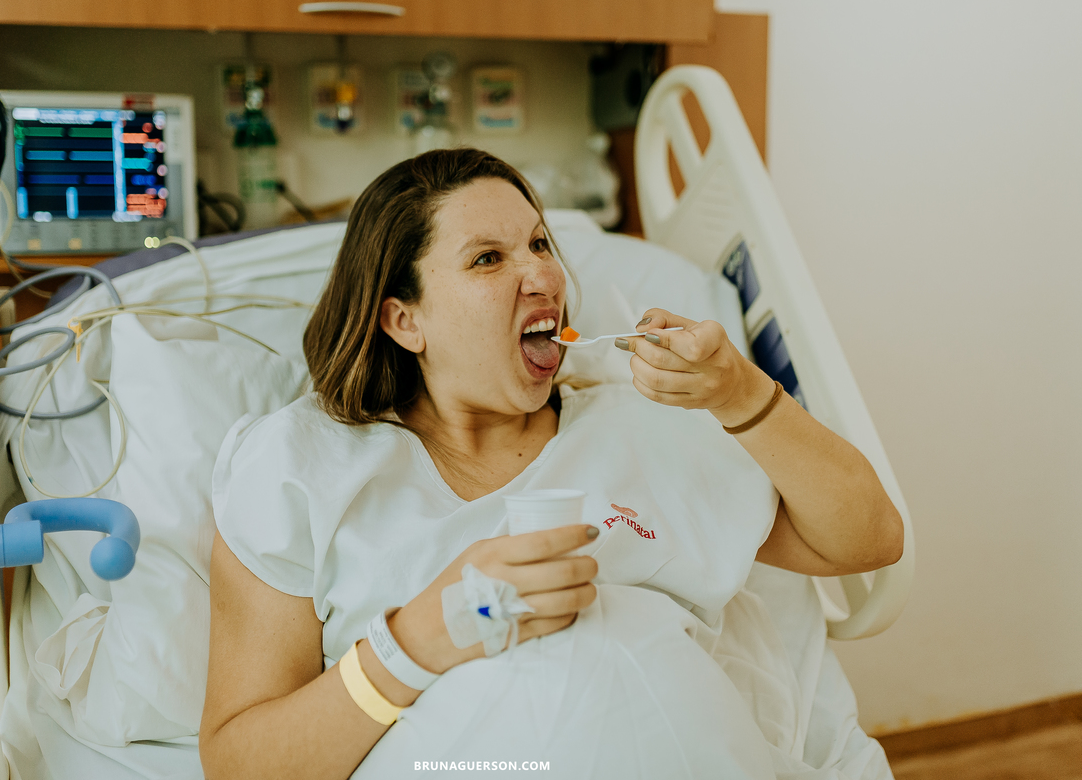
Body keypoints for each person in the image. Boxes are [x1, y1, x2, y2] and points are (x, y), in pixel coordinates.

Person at [199, 148, 903, 779]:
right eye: (488, 258)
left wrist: (744, 395)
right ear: (403, 319)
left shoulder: (642, 424)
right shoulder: (303, 468)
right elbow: (241, 761)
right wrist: (416, 642)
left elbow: (868, 539)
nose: (541, 271)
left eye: (539, 243)